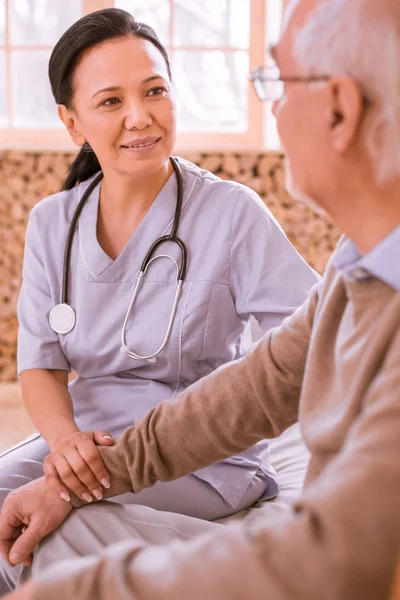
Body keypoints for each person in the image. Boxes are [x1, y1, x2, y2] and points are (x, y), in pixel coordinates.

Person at [2, 0, 400, 597]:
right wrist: (74, 466)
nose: (139, 117)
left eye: (279, 84)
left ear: (340, 107)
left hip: (207, 465)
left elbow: (339, 549)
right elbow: (263, 384)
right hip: (112, 443)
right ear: (72, 122)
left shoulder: (233, 213)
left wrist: (72, 554)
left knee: (40, 542)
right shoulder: (354, 269)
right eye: (111, 101)